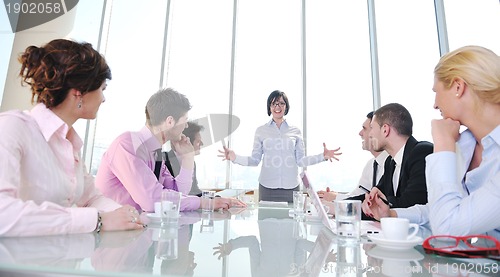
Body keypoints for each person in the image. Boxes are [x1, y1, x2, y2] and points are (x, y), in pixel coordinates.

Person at [0, 39, 144, 237]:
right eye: (102, 89)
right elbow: (3, 215)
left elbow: (91, 198)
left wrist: (125, 214)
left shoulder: (69, 144)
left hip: (58, 260)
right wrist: (97, 220)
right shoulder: (12, 127)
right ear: (79, 93)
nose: (103, 98)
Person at [362, 45, 500, 238]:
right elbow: (441, 209)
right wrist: (391, 214)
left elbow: (448, 225)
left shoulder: (449, 145)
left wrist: (443, 144)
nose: (435, 104)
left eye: (437, 91)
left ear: (458, 87)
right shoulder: (467, 145)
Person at [95, 88, 245, 213]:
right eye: (185, 120)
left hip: (134, 233)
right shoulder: (128, 144)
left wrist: (188, 158)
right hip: (109, 238)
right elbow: (152, 200)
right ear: (170, 121)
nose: (186, 126)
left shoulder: (155, 153)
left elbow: (178, 193)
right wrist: (205, 203)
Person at [218, 90, 342, 202]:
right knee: (266, 226)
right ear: (269, 107)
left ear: (286, 107)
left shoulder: (296, 131)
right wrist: (235, 157)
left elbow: (301, 161)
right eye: (274, 104)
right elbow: (255, 160)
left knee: (291, 226)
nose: (278, 107)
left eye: (281, 103)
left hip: (291, 188)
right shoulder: (261, 131)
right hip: (267, 188)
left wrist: (323, 156)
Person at [362, 103, 433, 209]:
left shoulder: (421, 152)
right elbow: (375, 197)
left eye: (372, 128)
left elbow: (413, 202)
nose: (370, 134)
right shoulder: (390, 163)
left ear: (385, 130)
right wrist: (338, 206)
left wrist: (380, 203)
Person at [317, 111, 389, 201]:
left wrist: (335, 197)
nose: (360, 133)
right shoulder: (371, 165)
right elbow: (358, 195)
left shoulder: (392, 164)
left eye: (364, 128)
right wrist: (334, 196)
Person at [165, 121, 204, 196]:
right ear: (185, 141)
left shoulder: (192, 162)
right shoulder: (165, 160)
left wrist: (212, 198)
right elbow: (175, 193)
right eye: (198, 142)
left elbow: (194, 190)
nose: (202, 144)